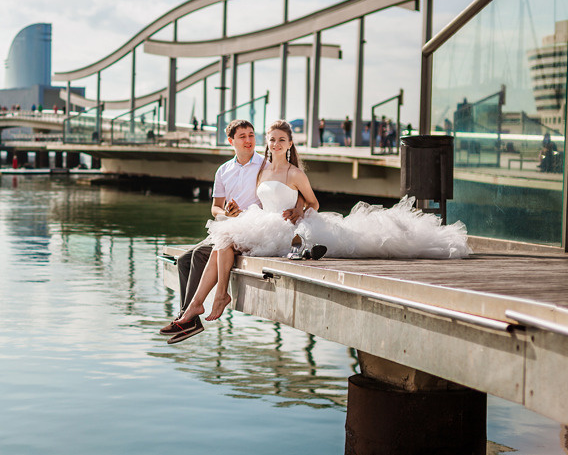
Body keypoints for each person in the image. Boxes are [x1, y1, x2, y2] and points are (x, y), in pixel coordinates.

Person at [170, 120, 471, 338]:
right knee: (221, 239)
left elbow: (311, 200)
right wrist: (229, 211)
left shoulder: (293, 171)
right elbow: (238, 201)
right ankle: (205, 302)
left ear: (289, 144)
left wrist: (300, 208)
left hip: (282, 225)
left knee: (223, 242)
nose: (273, 144)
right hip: (259, 220)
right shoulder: (259, 169)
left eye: (280, 140)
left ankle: (206, 302)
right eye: (270, 140)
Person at [160, 119, 303, 344]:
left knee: (198, 255)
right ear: (231, 141)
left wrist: (298, 207)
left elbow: (291, 186)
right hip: (228, 224)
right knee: (184, 259)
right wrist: (226, 212)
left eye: (251, 135)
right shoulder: (223, 170)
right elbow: (215, 208)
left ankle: (188, 317)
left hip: (253, 228)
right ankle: (188, 316)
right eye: (242, 136)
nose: (248, 140)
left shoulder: (265, 165)